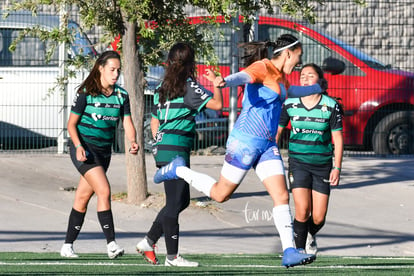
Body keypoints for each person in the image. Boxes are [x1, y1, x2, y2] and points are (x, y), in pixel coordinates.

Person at [153, 34, 322, 268]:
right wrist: (225, 81)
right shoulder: (263, 66)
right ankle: (179, 170)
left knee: (282, 196)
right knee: (221, 194)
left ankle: (289, 251)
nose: (299, 62)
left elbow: (290, 93)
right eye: (299, 56)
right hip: (244, 142)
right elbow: (244, 76)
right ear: (289, 53)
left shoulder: (283, 78)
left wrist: (317, 87)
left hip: (266, 145)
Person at [136, 42, 222, 267]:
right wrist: (216, 83)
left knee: (181, 200)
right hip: (176, 149)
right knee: (175, 203)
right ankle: (172, 257)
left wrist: (156, 144)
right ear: (190, 63)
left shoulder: (162, 87)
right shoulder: (188, 86)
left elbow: (154, 121)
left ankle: (149, 240)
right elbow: (218, 105)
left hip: (164, 148)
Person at [60, 50, 139, 259]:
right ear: (101, 68)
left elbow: (127, 122)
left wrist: (133, 141)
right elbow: (71, 125)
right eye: (112, 70)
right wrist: (78, 146)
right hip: (85, 149)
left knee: (83, 197)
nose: (115, 74)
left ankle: (67, 246)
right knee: (104, 190)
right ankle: (111, 244)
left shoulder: (121, 95)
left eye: (118, 71)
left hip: (104, 152)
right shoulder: (86, 92)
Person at [276, 63, 344, 255]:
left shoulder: (330, 106)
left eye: (310, 75)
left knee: (318, 217)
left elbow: (337, 139)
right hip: (298, 163)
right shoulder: (290, 103)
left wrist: (337, 168)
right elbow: (278, 132)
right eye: (302, 75)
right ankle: (297, 252)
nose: (305, 78)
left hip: (323, 165)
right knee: (302, 210)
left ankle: (310, 235)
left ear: (320, 81)